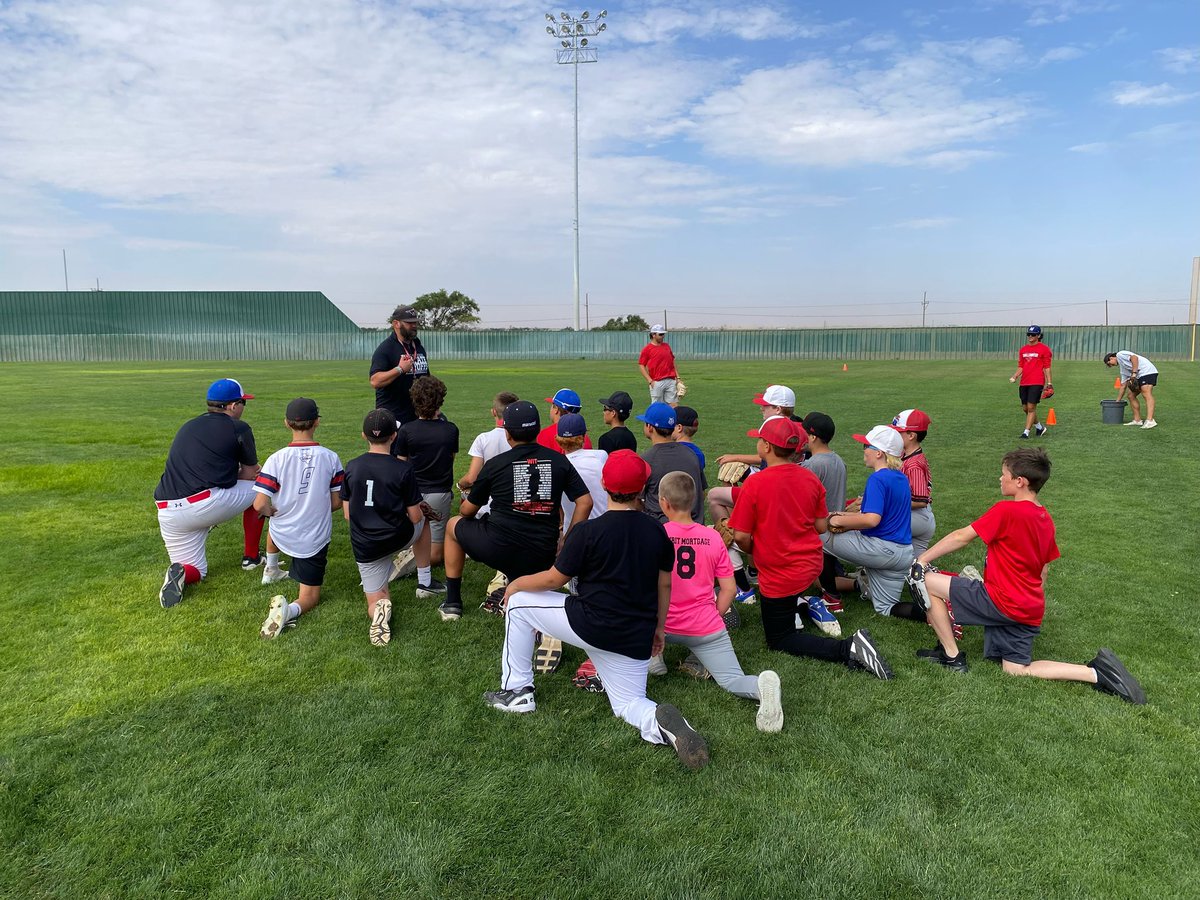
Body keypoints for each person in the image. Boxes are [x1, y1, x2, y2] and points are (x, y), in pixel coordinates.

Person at [484, 450, 710, 770]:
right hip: (634, 635)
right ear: (642, 488)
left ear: (604, 484)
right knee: (629, 704)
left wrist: (516, 584)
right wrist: (658, 629)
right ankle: (665, 725)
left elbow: (555, 579)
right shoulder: (657, 531)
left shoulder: (587, 531)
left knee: (519, 605)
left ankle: (516, 692)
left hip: (590, 624)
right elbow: (664, 585)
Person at [908, 447, 1145, 704]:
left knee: (923, 580)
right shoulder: (1045, 518)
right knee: (1016, 670)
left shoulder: (1007, 511)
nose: (1000, 478)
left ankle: (951, 656)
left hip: (1003, 601)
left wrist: (922, 560)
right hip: (1028, 607)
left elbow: (961, 537)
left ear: (1020, 481)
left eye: (1004, 474)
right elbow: (1044, 569)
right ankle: (1095, 673)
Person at [727, 417, 893, 680]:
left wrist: (754, 550)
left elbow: (741, 536)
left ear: (766, 447)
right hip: (811, 564)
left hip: (780, 571)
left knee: (780, 639)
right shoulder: (809, 477)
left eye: (759, 439)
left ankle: (849, 648)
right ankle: (805, 603)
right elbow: (820, 526)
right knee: (786, 600)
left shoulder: (755, 483)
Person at [441, 400, 592, 621]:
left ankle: (452, 603)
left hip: (498, 547)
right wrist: (567, 541)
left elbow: (467, 512)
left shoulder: (495, 464)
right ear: (538, 430)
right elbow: (585, 502)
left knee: (452, 525)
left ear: (508, 434)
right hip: (543, 551)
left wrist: (465, 503)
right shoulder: (559, 461)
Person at [659, 472, 783, 733]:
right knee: (732, 680)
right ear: (695, 500)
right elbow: (729, 589)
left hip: (662, 627)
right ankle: (759, 686)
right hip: (706, 628)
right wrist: (713, 616)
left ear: (664, 502)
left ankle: (653, 660)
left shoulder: (657, 535)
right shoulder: (713, 537)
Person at [153, 378, 264, 608]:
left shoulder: (189, 425)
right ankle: (251, 558)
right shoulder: (238, 427)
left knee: (197, 571)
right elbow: (250, 473)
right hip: (205, 503)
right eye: (243, 403)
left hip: (167, 511)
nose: (244, 407)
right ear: (233, 406)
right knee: (262, 489)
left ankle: (181, 572)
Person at [253, 399, 344, 639]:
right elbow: (337, 502)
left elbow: (259, 504)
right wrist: (315, 508)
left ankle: (271, 569)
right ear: (317, 422)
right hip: (313, 538)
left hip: (282, 532)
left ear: (286, 423)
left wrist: (271, 511)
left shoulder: (276, 458)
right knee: (310, 597)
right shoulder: (331, 457)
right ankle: (289, 610)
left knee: (275, 523)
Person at [341, 409, 430, 646]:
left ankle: (379, 609)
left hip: (366, 544)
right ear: (394, 436)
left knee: (376, 598)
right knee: (424, 518)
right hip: (398, 536)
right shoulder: (403, 469)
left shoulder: (352, 466)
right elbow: (414, 517)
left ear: (364, 435)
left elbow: (348, 515)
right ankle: (425, 580)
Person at [824, 425, 914, 617]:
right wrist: (838, 514)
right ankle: (937, 613)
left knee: (819, 536)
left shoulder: (878, 479)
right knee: (886, 608)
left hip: (881, 550)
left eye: (866, 446)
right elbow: (877, 516)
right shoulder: (900, 477)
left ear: (879, 453)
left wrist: (837, 521)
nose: (863, 450)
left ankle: (830, 597)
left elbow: (871, 520)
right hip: (903, 554)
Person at [458, 390, 519, 604]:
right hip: (516, 504)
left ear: (494, 412)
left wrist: (460, 484)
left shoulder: (484, 439)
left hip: (486, 506)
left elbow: (472, 477)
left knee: (460, 515)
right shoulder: (522, 438)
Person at [395, 376, 457, 587]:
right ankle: (412, 557)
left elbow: (400, 466)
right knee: (436, 555)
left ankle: (408, 555)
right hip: (439, 492)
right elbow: (450, 459)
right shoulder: (450, 430)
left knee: (415, 536)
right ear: (440, 400)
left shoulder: (406, 430)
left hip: (412, 493)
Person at [801, 412, 848, 611]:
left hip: (819, 528)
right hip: (836, 523)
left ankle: (832, 596)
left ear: (812, 437)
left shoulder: (813, 465)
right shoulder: (837, 459)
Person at [637, 402, 705, 524]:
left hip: (661, 528)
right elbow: (702, 493)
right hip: (694, 524)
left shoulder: (646, 459)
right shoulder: (691, 454)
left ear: (650, 427)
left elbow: (635, 500)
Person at [368, 305, 430, 431]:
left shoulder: (417, 346)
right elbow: (375, 381)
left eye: (415, 322)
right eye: (409, 323)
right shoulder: (386, 349)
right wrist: (400, 369)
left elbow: (426, 378)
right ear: (396, 324)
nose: (414, 326)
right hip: (394, 418)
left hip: (418, 416)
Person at [892, 409, 935, 556]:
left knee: (877, 521)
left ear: (911, 435)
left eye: (898, 432)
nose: (894, 435)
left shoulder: (914, 464)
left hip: (919, 516)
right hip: (915, 516)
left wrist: (890, 504)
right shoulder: (906, 455)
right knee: (916, 565)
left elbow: (920, 501)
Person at [557, 413, 608, 525]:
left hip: (573, 531)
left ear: (559, 440)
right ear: (584, 436)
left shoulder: (558, 466)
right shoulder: (601, 456)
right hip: (604, 528)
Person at [1008, 324, 1053, 439]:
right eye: (1029, 334)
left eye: (1033, 334)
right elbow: (1021, 366)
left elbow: (1047, 367)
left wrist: (1049, 383)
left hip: (1037, 381)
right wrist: (1015, 376)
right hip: (1024, 382)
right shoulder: (1023, 349)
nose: (1030, 336)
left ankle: (1026, 433)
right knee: (1025, 408)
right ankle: (1039, 427)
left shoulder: (1044, 349)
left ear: (1038, 336)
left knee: (1031, 407)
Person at [1104, 351, 1159, 428]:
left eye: (1109, 363)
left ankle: (1150, 420)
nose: (1111, 365)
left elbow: (1134, 357)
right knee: (1130, 395)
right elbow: (1123, 386)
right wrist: (1117, 402)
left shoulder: (1120, 355)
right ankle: (1137, 420)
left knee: (1146, 393)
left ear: (1111, 358)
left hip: (1147, 371)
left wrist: (1134, 373)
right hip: (1140, 375)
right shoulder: (1123, 369)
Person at [638, 324, 679, 407]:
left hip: (670, 380)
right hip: (657, 382)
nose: (663, 336)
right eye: (660, 334)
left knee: (674, 406)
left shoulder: (666, 346)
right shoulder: (647, 349)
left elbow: (672, 362)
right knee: (657, 407)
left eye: (663, 334)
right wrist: (650, 381)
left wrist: (678, 377)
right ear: (653, 335)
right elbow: (641, 365)